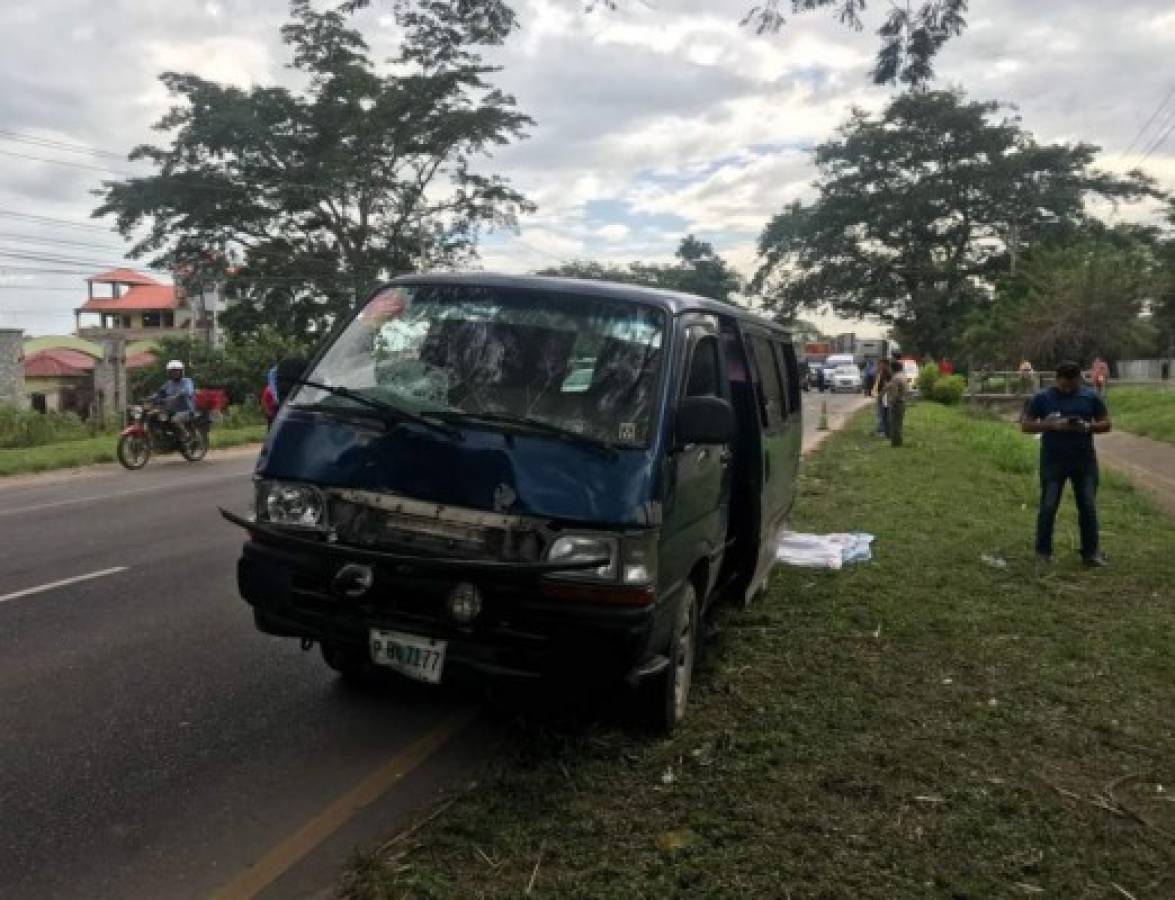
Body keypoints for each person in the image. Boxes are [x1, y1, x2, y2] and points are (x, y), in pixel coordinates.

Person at [1020, 361, 1112, 567]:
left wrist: (1088, 426)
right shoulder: (1042, 398)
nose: (1068, 389)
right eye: (1064, 385)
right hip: (1053, 461)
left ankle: (1091, 553)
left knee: (1087, 506)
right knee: (1048, 506)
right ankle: (1043, 553)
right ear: (1056, 379)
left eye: (1072, 384)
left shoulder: (1090, 396)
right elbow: (1025, 425)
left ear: (1079, 378)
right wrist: (1051, 425)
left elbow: (1106, 423)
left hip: (1084, 461)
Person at [154, 359, 196, 442]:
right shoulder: (168, 383)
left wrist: (178, 395)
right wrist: (151, 398)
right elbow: (160, 392)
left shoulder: (187, 381)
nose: (175, 373)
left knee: (175, 420)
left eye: (177, 371)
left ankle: (186, 435)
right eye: (172, 371)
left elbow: (188, 391)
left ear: (181, 372)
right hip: (171, 410)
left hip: (186, 410)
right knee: (155, 416)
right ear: (169, 373)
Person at [886, 359, 909, 447]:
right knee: (899, 423)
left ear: (893, 368)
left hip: (897, 403)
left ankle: (896, 443)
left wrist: (890, 402)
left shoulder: (895, 378)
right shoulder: (903, 376)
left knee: (894, 424)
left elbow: (894, 393)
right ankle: (898, 442)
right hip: (902, 402)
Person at [873, 358, 891, 437]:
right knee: (880, 413)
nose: (878, 365)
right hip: (880, 395)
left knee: (883, 413)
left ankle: (883, 430)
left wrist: (881, 394)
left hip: (885, 396)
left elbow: (886, 385)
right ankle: (881, 429)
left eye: (880, 364)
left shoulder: (887, 373)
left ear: (885, 364)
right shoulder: (880, 372)